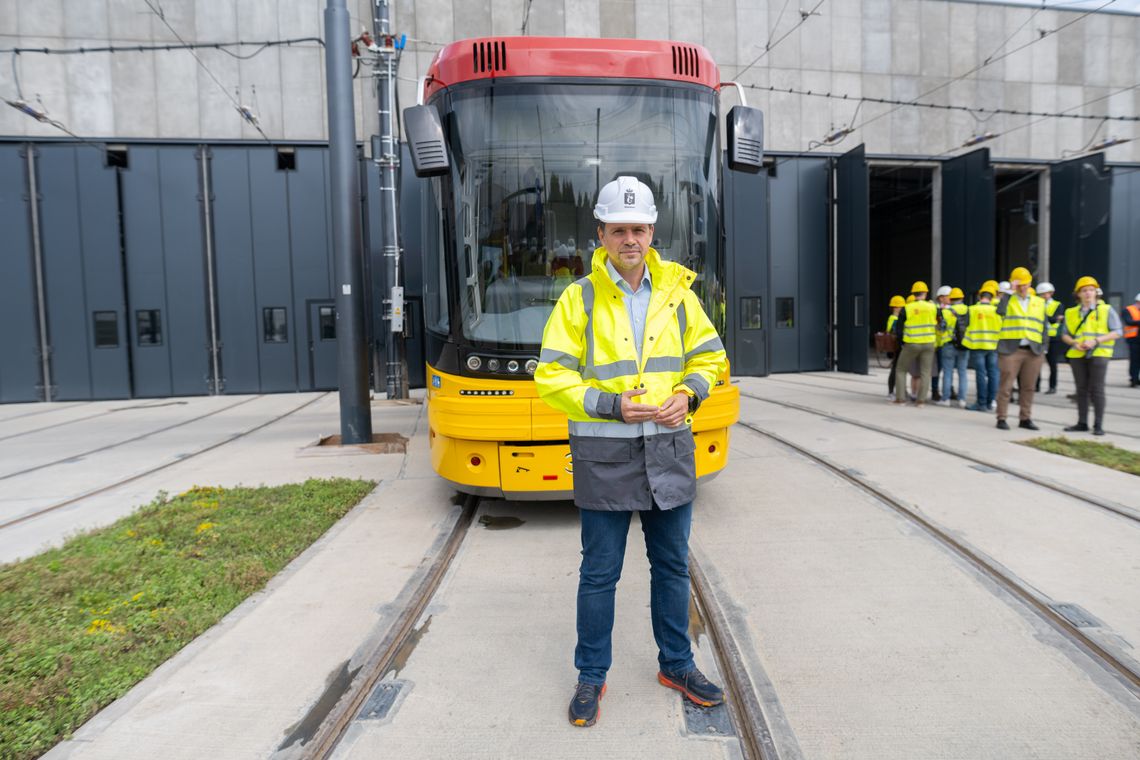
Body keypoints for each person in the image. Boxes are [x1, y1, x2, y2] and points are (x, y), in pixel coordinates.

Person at [534, 176, 728, 728]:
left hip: (668, 449)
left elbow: (711, 360)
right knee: (599, 573)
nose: (630, 240)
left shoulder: (680, 296)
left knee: (671, 567)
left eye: (638, 229)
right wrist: (610, 404)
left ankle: (678, 665)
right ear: (601, 234)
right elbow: (551, 377)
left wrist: (689, 394)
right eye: (618, 230)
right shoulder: (579, 298)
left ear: (651, 232)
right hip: (606, 456)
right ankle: (591, 677)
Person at [1060, 276, 1123, 435]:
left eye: (1091, 290)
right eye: (1084, 290)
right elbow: (1064, 334)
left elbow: (1118, 332)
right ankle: (1082, 423)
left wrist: (1096, 341)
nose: (1088, 293)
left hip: (1099, 353)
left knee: (1097, 389)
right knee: (1081, 389)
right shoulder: (1071, 312)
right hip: (1077, 354)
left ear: (1096, 292)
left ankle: (1098, 425)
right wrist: (1075, 343)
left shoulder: (1106, 310)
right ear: (1078, 294)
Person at [993, 267, 1048, 431]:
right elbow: (1000, 311)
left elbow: (1044, 326)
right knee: (1006, 386)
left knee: (1029, 387)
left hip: (1033, 351)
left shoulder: (1039, 302)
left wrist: (1044, 347)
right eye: (1019, 285)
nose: (1023, 287)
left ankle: (1025, 418)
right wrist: (1009, 291)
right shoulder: (1008, 299)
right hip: (1011, 350)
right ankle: (1001, 417)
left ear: (1030, 282)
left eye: (1025, 284)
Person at [892, 281, 939, 407]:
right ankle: (921, 401)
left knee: (901, 369)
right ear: (925, 293)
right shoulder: (933, 307)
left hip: (912, 343)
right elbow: (940, 322)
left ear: (913, 293)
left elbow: (899, 329)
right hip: (929, 343)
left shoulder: (907, 308)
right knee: (925, 372)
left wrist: (902, 343)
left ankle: (900, 399)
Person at [963, 281, 1001, 411]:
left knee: (980, 374)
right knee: (993, 374)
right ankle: (991, 402)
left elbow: (965, 326)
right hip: (994, 346)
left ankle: (981, 403)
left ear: (979, 297)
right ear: (992, 297)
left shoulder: (972, 309)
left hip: (977, 346)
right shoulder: (997, 310)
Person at [937, 287, 970, 407]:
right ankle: (962, 400)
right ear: (962, 298)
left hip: (949, 345)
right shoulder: (968, 310)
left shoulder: (946, 312)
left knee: (947, 372)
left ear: (951, 298)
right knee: (962, 372)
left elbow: (941, 328)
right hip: (964, 345)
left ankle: (946, 399)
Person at [1036, 282, 1064, 394]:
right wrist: (1053, 318)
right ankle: (1036, 386)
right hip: (1039, 337)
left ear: (1051, 293)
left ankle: (1053, 386)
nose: (1044, 296)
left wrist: (1047, 317)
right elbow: (1054, 318)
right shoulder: (1036, 304)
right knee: (1036, 363)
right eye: (1041, 294)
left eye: (1046, 293)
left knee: (1052, 364)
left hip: (1053, 338)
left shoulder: (1058, 305)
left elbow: (1054, 320)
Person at [886, 295, 905, 398]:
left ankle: (897, 391)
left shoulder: (893, 318)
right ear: (896, 307)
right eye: (901, 307)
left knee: (897, 369)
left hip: (897, 347)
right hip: (897, 348)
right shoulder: (894, 319)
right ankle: (891, 392)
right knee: (896, 369)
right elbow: (892, 332)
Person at [1125, 292, 1140, 387]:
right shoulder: (1128, 310)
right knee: (1135, 360)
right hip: (1133, 340)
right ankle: (1134, 379)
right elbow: (1128, 321)